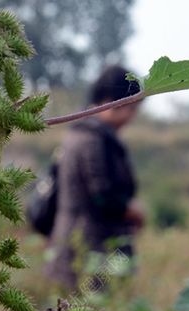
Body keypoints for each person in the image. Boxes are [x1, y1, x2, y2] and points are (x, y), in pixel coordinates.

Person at [46, 65, 144, 291]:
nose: (132, 117)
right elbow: (102, 196)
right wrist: (133, 213)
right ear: (113, 101)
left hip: (74, 245)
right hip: (91, 250)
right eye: (132, 108)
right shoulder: (94, 140)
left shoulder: (79, 132)